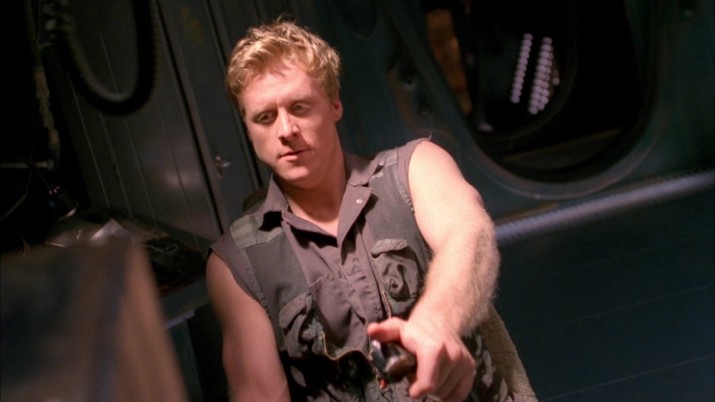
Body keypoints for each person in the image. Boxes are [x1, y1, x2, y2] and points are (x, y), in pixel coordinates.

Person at [207, 18, 515, 402]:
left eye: (299, 107)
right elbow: (260, 393)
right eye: (265, 118)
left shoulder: (416, 169)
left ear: (334, 105)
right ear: (249, 129)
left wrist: (437, 323)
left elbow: (468, 237)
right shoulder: (236, 265)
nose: (285, 130)